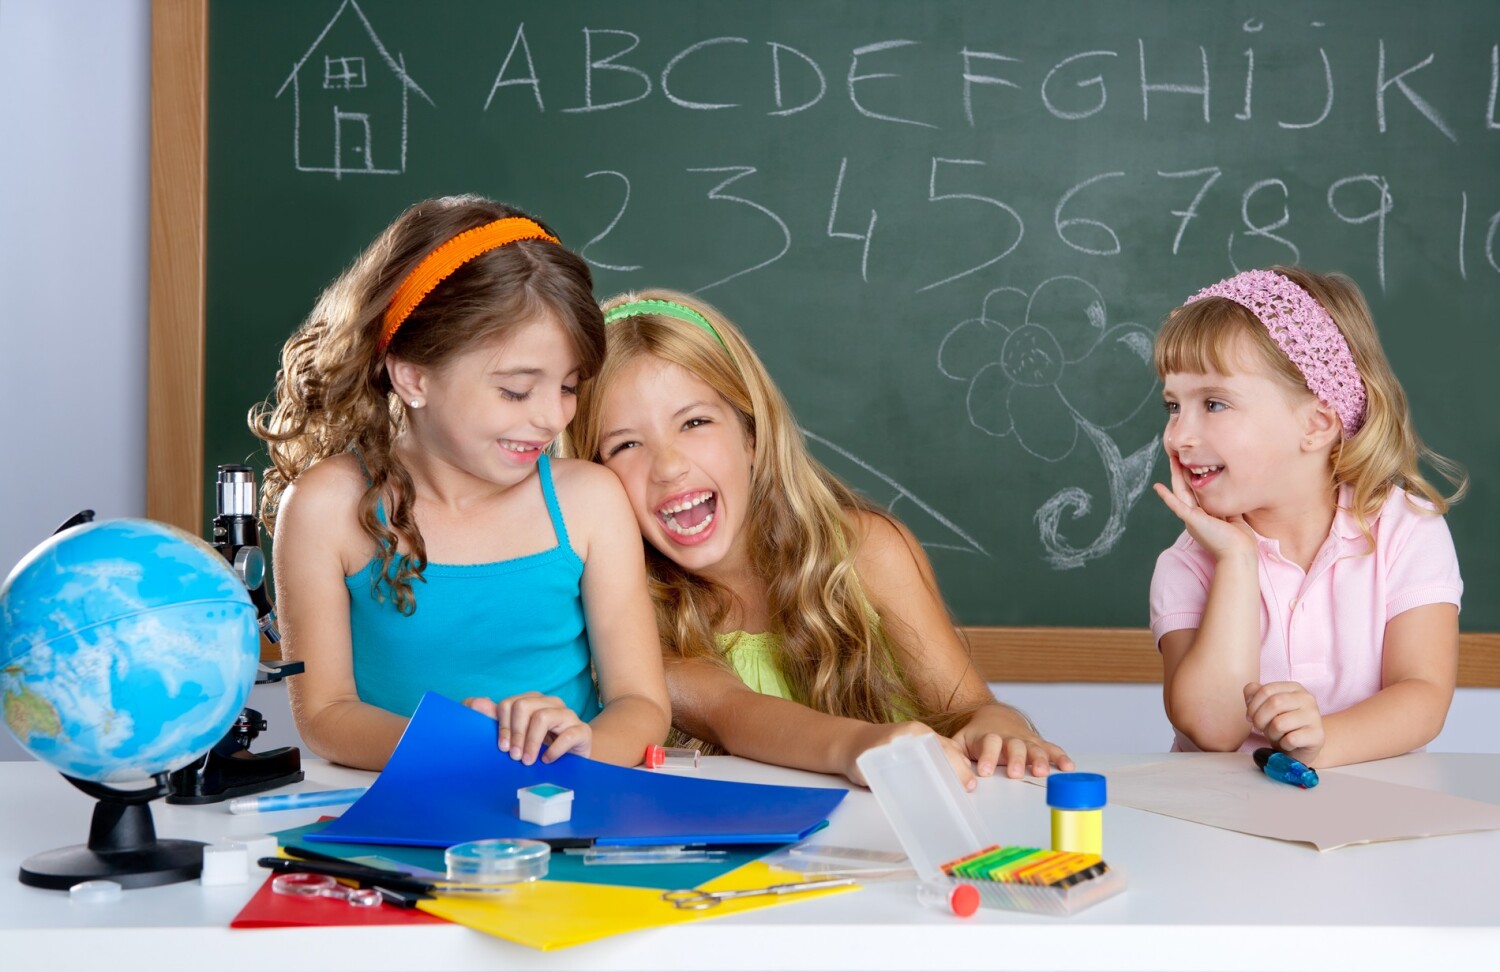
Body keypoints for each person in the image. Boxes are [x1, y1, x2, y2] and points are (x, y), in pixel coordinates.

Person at [566, 290, 1072, 788]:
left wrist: (999, 726)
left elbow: (969, 708)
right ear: (593, 478)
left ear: (753, 436)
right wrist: (859, 747)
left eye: (695, 422)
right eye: (625, 444)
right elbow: (733, 713)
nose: (669, 466)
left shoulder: (870, 551)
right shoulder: (634, 616)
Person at [251, 196, 669, 771]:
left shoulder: (589, 502)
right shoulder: (326, 508)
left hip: (565, 804)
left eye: (569, 386)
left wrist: (586, 743)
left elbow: (641, 704)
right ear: (413, 375)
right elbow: (325, 714)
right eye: (517, 391)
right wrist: (452, 747)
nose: (552, 418)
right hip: (402, 815)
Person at [1150, 266, 1465, 767]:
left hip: (1372, 813)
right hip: (1227, 822)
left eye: (1213, 403)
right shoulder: (1187, 564)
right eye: (1172, 405)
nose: (1178, 436)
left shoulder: (1408, 530)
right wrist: (1235, 560)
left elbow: (1422, 694)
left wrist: (1323, 741)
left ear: (1317, 424)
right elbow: (1213, 730)